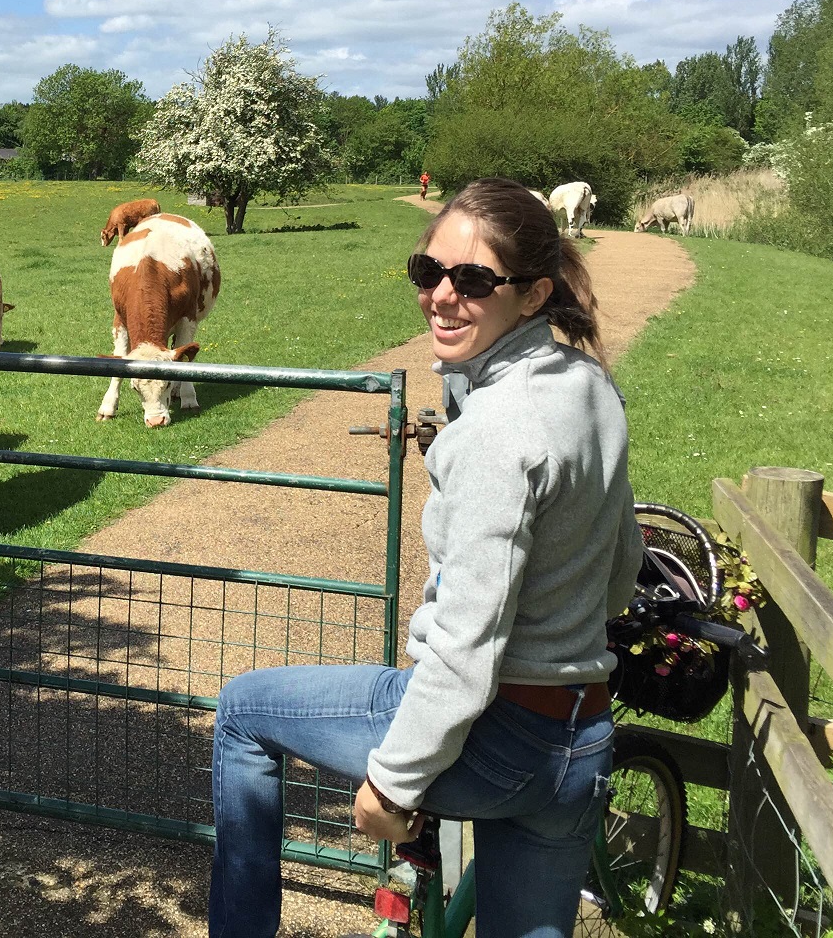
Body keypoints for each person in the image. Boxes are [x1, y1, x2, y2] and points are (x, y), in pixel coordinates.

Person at [209, 177, 643, 938]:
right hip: (580, 743)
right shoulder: (590, 388)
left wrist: (394, 784)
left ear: (534, 293)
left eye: (474, 280)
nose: (442, 296)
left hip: (494, 739)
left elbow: (465, 650)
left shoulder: (495, 433)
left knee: (244, 713)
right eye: (428, 272)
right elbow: (617, 577)